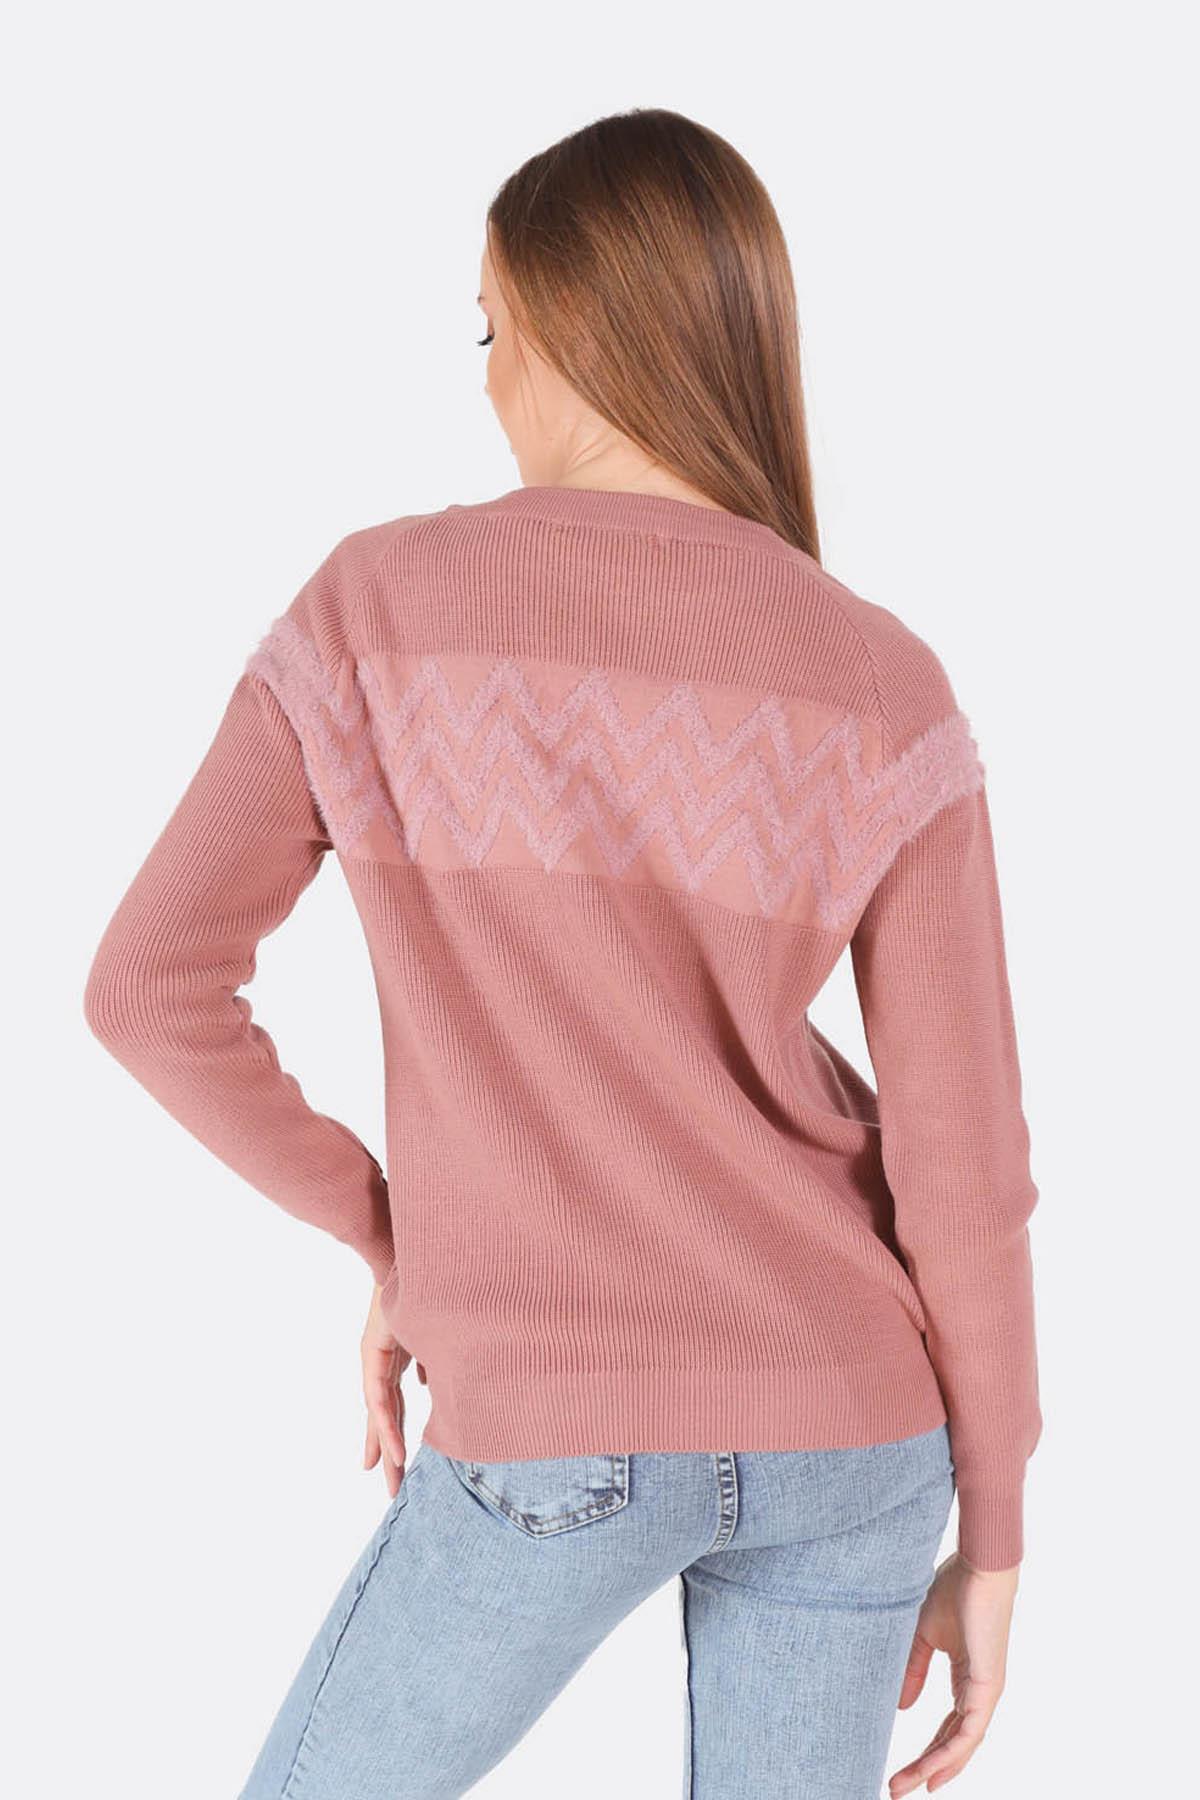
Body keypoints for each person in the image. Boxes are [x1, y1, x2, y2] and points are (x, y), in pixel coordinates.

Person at [82, 107, 1041, 1800]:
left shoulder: (377, 610)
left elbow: (149, 988)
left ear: (558, 325)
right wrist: (1002, 1528)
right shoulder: (880, 675)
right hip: (859, 1434)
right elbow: (968, 1171)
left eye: (488, 331)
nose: (489, 380)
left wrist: (390, 1228)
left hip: (559, 1418)